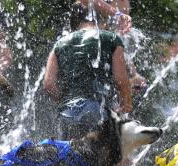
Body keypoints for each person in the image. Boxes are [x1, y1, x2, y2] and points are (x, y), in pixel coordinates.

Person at [44, 1, 132, 140]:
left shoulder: (59, 45)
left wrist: (66, 100)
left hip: (66, 114)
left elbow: (48, 84)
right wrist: (126, 104)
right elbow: (120, 80)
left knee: (69, 157)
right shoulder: (111, 38)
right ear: (99, 19)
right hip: (97, 111)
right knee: (113, 159)